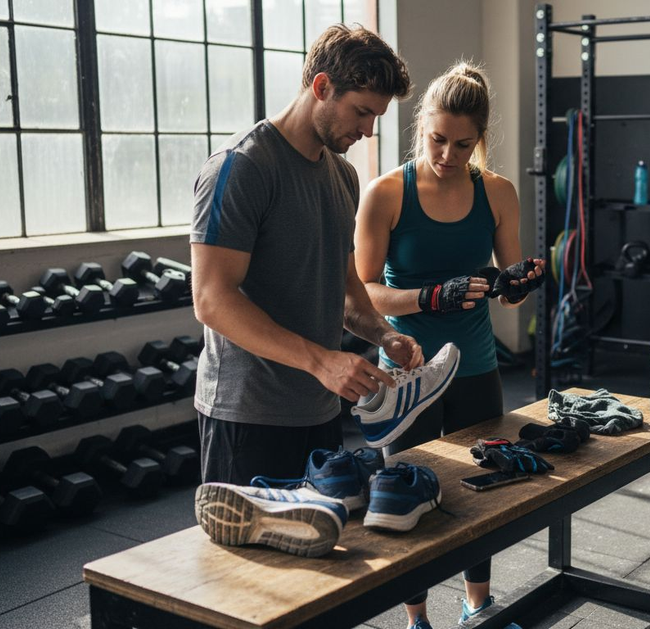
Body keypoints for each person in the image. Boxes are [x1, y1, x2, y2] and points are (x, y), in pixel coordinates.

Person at [190, 24, 421, 488]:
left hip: (319, 408)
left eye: (375, 117)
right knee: (250, 560)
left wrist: (383, 334)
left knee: (324, 551)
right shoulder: (242, 167)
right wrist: (322, 361)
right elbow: (212, 299)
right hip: (248, 415)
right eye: (361, 112)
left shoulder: (343, 177)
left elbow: (344, 287)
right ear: (321, 87)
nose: (368, 130)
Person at [355, 61, 544, 629]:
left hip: (476, 368)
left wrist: (518, 285)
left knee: (478, 492)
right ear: (421, 127)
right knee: (403, 499)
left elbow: (507, 293)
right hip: (405, 375)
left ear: (479, 139)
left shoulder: (499, 193)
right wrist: (429, 298)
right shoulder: (385, 193)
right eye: (438, 140)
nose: (448, 155)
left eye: (463, 144)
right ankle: (415, 618)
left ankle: (476, 603)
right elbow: (361, 296)